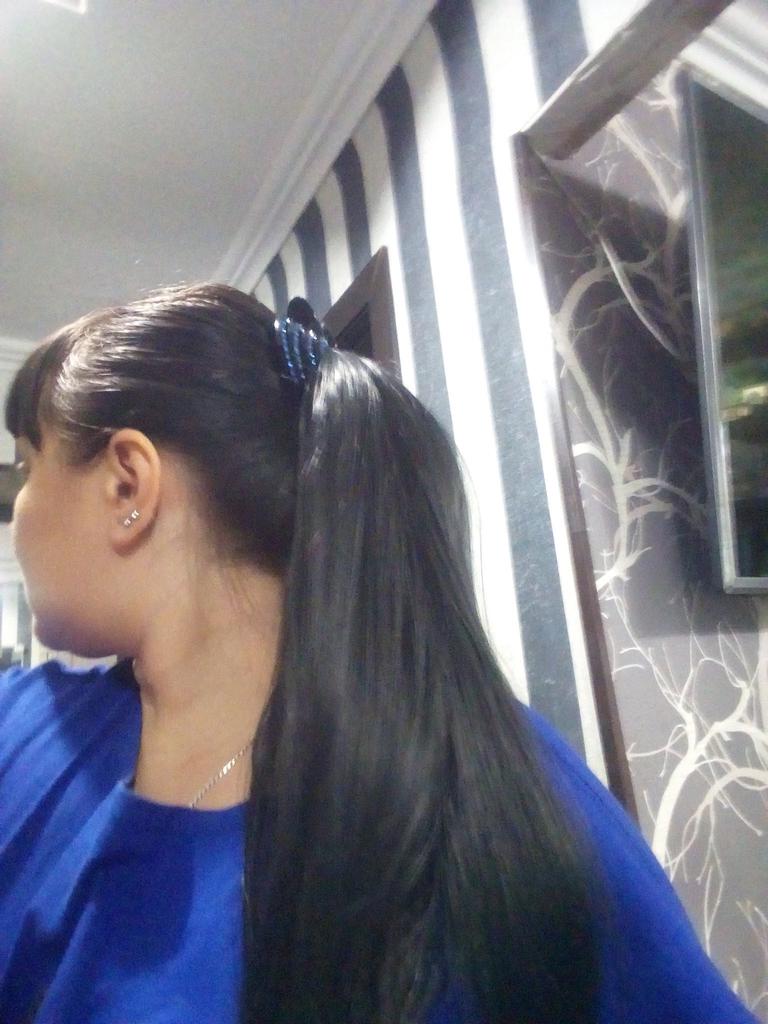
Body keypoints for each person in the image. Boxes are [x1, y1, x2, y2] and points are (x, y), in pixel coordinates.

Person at [0, 282, 759, 1024]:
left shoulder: (496, 792)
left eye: (30, 466)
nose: (18, 511)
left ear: (127, 484)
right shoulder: (22, 725)